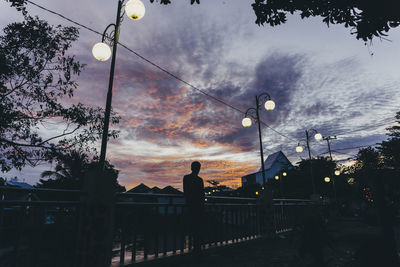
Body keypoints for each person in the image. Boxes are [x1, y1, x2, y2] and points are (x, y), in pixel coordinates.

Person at [183, 161, 205, 253]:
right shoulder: (199, 180)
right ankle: (197, 248)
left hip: (192, 206)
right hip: (197, 207)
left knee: (193, 227)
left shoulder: (186, 178)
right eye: (197, 168)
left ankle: (194, 248)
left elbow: (186, 192)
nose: (198, 170)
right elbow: (202, 195)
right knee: (197, 228)